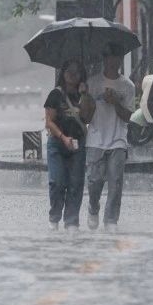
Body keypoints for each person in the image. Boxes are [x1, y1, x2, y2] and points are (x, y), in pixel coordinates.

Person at [82, 42, 136, 230]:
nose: (114, 61)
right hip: (96, 139)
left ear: (121, 60)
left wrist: (114, 103)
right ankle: (93, 207)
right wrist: (87, 99)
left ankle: (111, 220)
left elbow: (129, 116)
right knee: (94, 181)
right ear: (105, 59)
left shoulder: (128, 86)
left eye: (118, 57)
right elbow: (85, 117)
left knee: (116, 182)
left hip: (118, 141)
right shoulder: (92, 83)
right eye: (110, 57)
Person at [43, 59, 91, 230]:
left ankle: (71, 221)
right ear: (63, 74)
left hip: (78, 145)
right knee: (57, 182)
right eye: (69, 71)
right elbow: (49, 122)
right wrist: (63, 137)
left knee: (76, 183)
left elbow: (87, 117)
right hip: (57, 143)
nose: (72, 75)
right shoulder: (55, 95)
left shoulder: (84, 94)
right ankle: (54, 217)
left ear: (81, 75)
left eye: (76, 72)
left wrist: (85, 95)